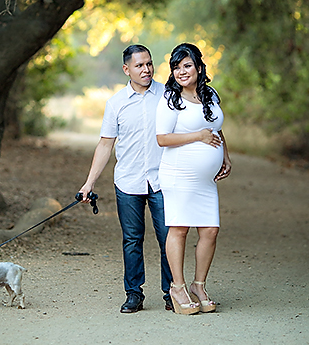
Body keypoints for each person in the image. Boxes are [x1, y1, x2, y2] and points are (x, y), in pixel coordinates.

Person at [78, 44, 174, 313]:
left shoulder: (168, 96)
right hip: (128, 181)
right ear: (126, 69)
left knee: (168, 237)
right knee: (132, 239)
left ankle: (172, 292)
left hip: (162, 180)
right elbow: (105, 145)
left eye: (149, 64)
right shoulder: (116, 103)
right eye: (139, 65)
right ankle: (134, 293)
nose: (146, 70)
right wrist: (89, 183)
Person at [156, 43, 232, 315]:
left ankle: (199, 286)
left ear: (199, 68)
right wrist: (198, 136)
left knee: (210, 230)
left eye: (187, 66)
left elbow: (217, 129)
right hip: (179, 174)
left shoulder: (210, 94)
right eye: (176, 67)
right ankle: (178, 287)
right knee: (180, 229)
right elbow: (162, 138)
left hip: (204, 181)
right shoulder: (170, 99)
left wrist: (225, 155)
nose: (181, 72)